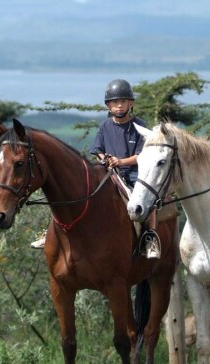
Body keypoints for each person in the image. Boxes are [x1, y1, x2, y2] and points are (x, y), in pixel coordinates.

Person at [33, 79, 161, 259]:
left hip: (133, 173)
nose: (118, 105)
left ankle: (150, 237)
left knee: (148, 200)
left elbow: (142, 155)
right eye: (114, 102)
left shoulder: (139, 126)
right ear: (108, 105)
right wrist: (105, 159)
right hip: (108, 172)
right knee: (70, 194)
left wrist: (121, 161)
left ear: (130, 103)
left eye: (122, 101)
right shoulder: (104, 126)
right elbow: (98, 150)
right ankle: (51, 232)